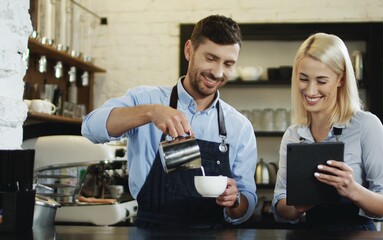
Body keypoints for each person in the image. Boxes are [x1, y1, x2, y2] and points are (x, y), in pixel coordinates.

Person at [81, 15, 258, 229]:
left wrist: (235, 200)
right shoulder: (145, 99)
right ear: (189, 50)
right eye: (210, 58)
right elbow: (90, 127)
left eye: (228, 64)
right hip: (150, 231)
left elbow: (247, 202)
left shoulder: (239, 126)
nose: (218, 72)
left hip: (212, 233)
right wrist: (150, 113)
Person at [272, 32, 383, 231]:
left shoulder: (366, 126)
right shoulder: (293, 134)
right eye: (304, 79)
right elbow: (280, 210)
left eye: (321, 81)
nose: (311, 91)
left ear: (341, 79)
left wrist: (353, 190)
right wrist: (297, 207)